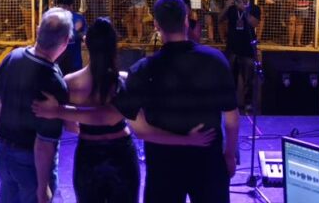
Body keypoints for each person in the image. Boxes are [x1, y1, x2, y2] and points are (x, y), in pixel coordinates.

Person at [31, 17, 214, 203]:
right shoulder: (123, 81)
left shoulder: (70, 83)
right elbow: (141, 130)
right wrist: (187, 139)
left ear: (86, 42)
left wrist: (60, 112)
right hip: (120, 154)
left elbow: (73, 126)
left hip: (88, 155)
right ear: (115, 45)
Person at [92, 0, 239, 203]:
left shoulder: (142, 70)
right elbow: (231, 117)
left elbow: (141, 131)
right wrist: (229, 154)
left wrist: (184, 140)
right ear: (186, 19)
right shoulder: (215, 60)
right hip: (209, 161)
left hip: (163, 166)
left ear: (156, 25)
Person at [0, 8, 74, 203]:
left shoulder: (13, 57)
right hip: (31, 160)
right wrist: (43, 187)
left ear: (37, 30)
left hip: (4, 152)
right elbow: (44, 143)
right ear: (66, 41)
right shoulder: (53, 82)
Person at [220, 0, 260, 113]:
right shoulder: (232, 8)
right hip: (232, 48)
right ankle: (231, 104)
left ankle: (248, 103)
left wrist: (244, 9)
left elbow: (255, 23)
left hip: (247, 49)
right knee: (230, 79)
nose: (239, 0)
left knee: (249, 79)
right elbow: (220, 19)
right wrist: (227, 6)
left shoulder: (254, 8)